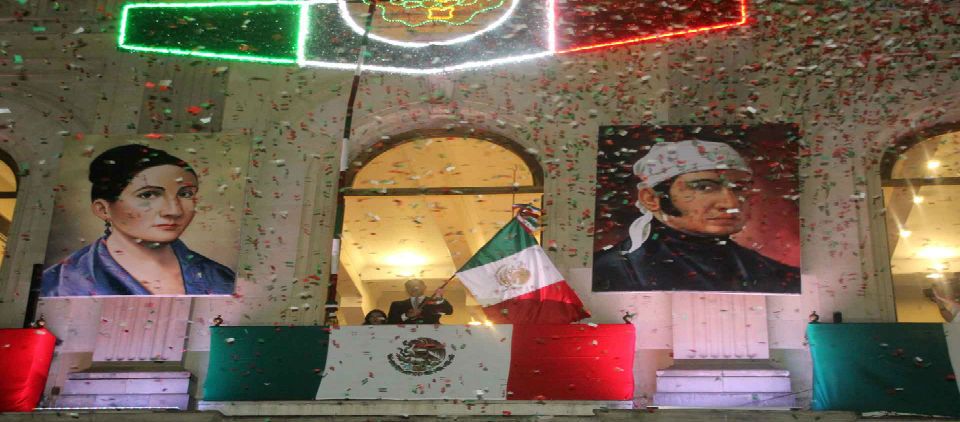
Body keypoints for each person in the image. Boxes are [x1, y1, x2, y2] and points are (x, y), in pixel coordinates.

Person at [593, 140, 800, 293]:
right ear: (651, 198)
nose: (730, 204)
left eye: (739, 188)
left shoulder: (778, 274)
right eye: (704, 187)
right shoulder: (613, 270)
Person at [42, 144, 236, 296]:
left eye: (185, 194)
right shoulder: (58, 285)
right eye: (148, 195)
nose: (174, 211)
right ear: (103, 209)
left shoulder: (221, 278)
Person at [387, 279, 453, 324]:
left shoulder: (435, 302)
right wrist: (406, 315)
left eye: (417, 285)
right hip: (406, 336)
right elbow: (390, 322)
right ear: (406, 289)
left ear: (424, 287)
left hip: (431, 336)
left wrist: (439, 298)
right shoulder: (397, 305)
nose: (414, 288)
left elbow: (448, 311)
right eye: (409, 286)